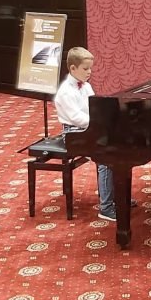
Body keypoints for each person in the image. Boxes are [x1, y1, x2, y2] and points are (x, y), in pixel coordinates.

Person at [53, 47, 116, 221]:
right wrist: (99, 124)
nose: (89, 72)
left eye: (90, 68)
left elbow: (94, 108)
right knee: (105, 158)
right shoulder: (65, 92)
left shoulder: (86, 86)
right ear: (73, 68)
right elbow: (77, 118)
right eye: (85, 68)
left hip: (88, 128)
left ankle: (116, 197)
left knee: (117, 148)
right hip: (73, 133)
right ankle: (106, 207)